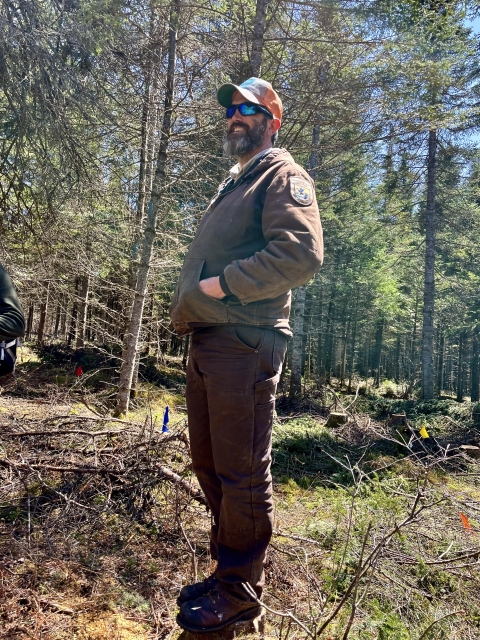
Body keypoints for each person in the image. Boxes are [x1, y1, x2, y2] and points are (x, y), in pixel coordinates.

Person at [170, 77, 323, 634]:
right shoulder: (236, 183)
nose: (236, 115)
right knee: (210, 465)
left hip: (243, 340)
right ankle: (227, 573)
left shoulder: (282, 175)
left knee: (241, 473)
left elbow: (300, 255)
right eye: (232, 109)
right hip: (211, 341)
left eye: (249, 109)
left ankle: (239, 591)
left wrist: (221, 287)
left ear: (272, 121)